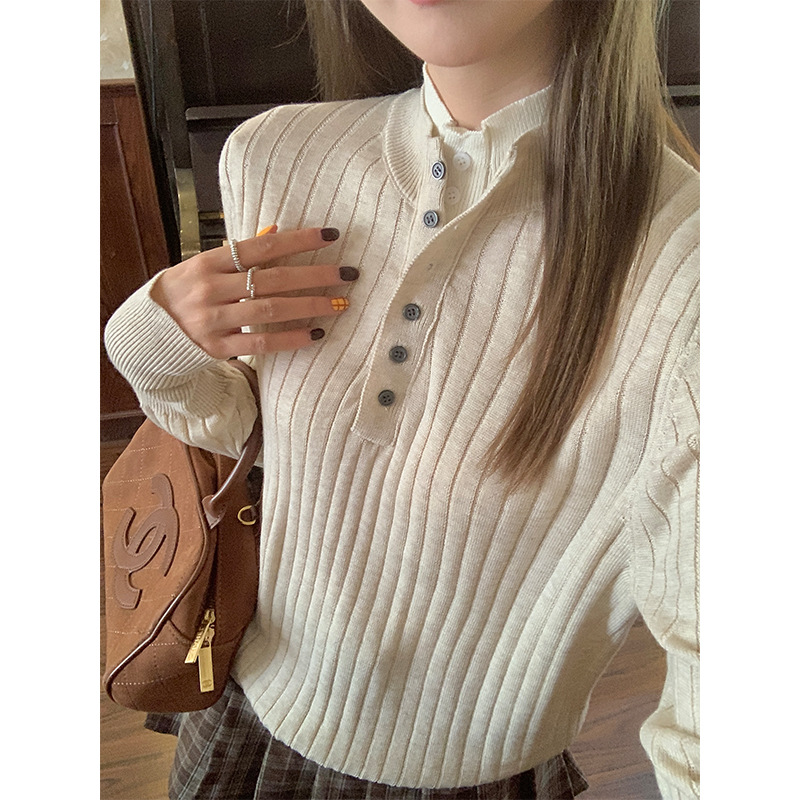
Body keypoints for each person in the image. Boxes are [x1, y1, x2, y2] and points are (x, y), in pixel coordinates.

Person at [104, 1, 699, 798]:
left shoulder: (695, 267)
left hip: (465, 777)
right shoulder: (273, 155)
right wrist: (149, 339)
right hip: (245, 711)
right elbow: (246, 440)